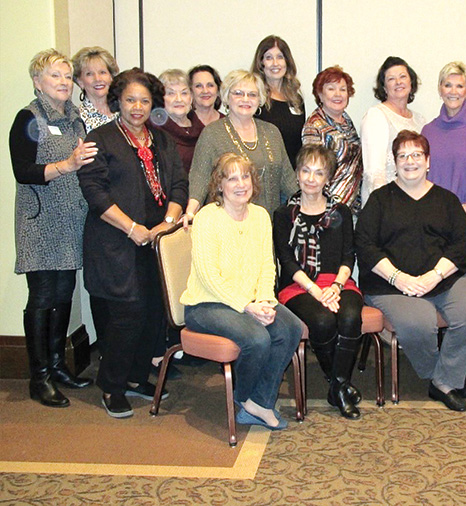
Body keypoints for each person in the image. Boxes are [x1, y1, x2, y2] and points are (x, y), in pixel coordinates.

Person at [77, 68, 187, 418]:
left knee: (154, 313)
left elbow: (179, 186)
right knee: (127, 313)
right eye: (129, 100)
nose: (137, 107)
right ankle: (111, 386)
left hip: (155, 244)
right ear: (117, 102)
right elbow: (94, 192)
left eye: (144, 100)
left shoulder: (162, 139)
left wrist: (167, 225)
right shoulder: (102, 138)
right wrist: (132, 228)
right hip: (115, 243)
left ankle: (138, 377)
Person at [355, 130, 466, 412]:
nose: (410, 161)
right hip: (390, 283)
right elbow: (365, 246)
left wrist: (434, 276)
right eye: (403, 155)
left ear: (428, 162)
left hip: (444, 277)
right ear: (395, 162)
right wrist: (399, 278)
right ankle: (439, 375)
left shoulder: (447, 199)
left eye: (416, 154)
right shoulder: (379, 201)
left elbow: (463, 244)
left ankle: (443, 380)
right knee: (419, 322)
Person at [182, 153, 303, 430]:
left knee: (291, 328)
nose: (240, 183)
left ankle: (260, 401)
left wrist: (264, 300)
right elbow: (209, 277)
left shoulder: (260, 216)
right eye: (232, 177)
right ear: (219, 184)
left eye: (245, 176)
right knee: (258, 339)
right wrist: (248, 307)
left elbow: (266, 265)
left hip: (250, 301)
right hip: (206, 305)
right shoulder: (207, 219)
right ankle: (244, 398)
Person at [9, 48, 97, 407]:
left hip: (70, 219)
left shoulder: (75, 117)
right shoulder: (28, 118)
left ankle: (59, 366)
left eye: (66, 76)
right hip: (40, 221)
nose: (63, 82)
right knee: (43, 297)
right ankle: (39, 377)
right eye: (54, 76)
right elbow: (23, 171)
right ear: (37, 82)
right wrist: (67, 164)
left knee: (64, 295)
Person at [273, 145, 363, 419]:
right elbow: (286, 262)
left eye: (319, 173)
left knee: (349, 316)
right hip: (298, 286)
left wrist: (334, 287)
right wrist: (315, 290)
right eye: (306, 171)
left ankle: (336, 386)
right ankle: (341, 386)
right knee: (323, 321)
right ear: (297, 174)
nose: (311, 178)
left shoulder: (341, 212)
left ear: (328, 178)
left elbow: (349, 256)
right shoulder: (283, 215)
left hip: (338, 282)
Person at [185, 70, 297, 220]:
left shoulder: (272, 132)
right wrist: (191, 212)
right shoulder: (212, 133)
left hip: (267, 224)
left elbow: (288, 180)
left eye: (252, 94)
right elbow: (200, 178)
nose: (246, 99)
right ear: (227, 97)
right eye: (238, 93)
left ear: (260, 100)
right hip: (227, 224)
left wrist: (310, 205)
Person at [421, 61, 466, 213]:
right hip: (434, 215)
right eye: (448, 85)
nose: (453, 91)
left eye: (460, 86)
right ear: (440, 89)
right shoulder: (428, 132)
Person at [360, 56, 425, 204]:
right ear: (384, 87)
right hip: (387, 205)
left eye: (403, 76)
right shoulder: (376, 116)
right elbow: (374, 173)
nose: (398, 82)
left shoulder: (420, 120)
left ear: (411, 82)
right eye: (391, 79)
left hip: (415, 203)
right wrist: (386, 209)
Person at [301, 65, 362, 212]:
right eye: (331, 89)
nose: (338, 94)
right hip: (328, 208)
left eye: (342, 89)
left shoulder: (346, 121)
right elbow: (313, 171)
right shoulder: (314, 125)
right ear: (320, 94)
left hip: (352, 205)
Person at [253, 36, 306, 168]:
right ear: (261, 64)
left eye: (280, 57)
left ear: (287, 62)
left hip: (293, 174)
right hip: (265, 174)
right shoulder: (255, 98)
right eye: (269, 57)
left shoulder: (296, 99)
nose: (275, 63)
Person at [155, 69, 205, 173]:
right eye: (171, 93)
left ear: (191, 98)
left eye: (184, 93)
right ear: (160, 98)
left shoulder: (203, 131)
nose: (179, 99)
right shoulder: (155, 132)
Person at [71, 46, 119, 131]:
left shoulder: (123, 111)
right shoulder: (77, 119)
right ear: (80, 82)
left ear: (111, 77)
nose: (97, 79)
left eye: (102, 72)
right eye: (89, 74)